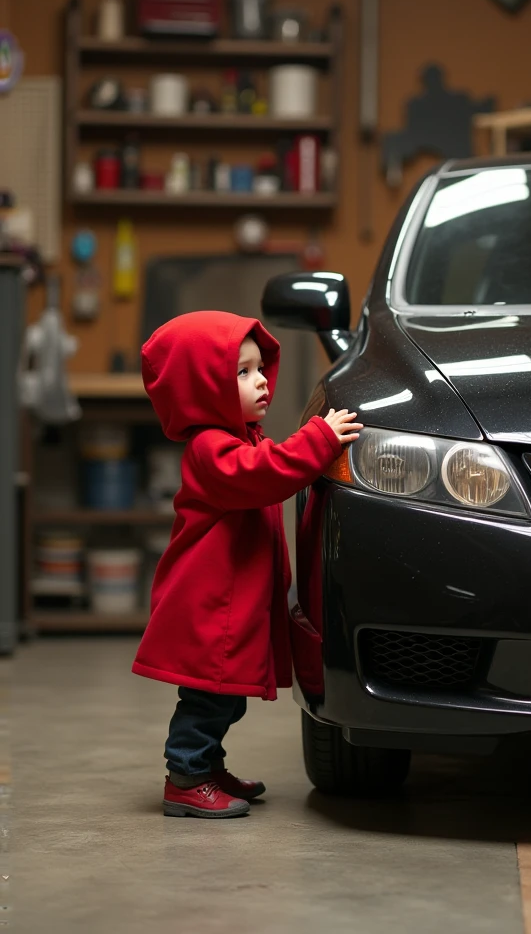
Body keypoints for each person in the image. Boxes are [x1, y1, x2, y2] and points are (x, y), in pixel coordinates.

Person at [131, 311, 362, 819]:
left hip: (227, 602)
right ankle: (186, 777)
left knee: (225, 698)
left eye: (260, 369)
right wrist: (320, 439)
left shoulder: (238, 439)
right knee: (208, 699)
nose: (260, 381)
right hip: (208, 604)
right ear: (203, 386)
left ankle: (207, 767)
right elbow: (266, 474)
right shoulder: (210, 450)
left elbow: (266, 462)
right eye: (242, 372)